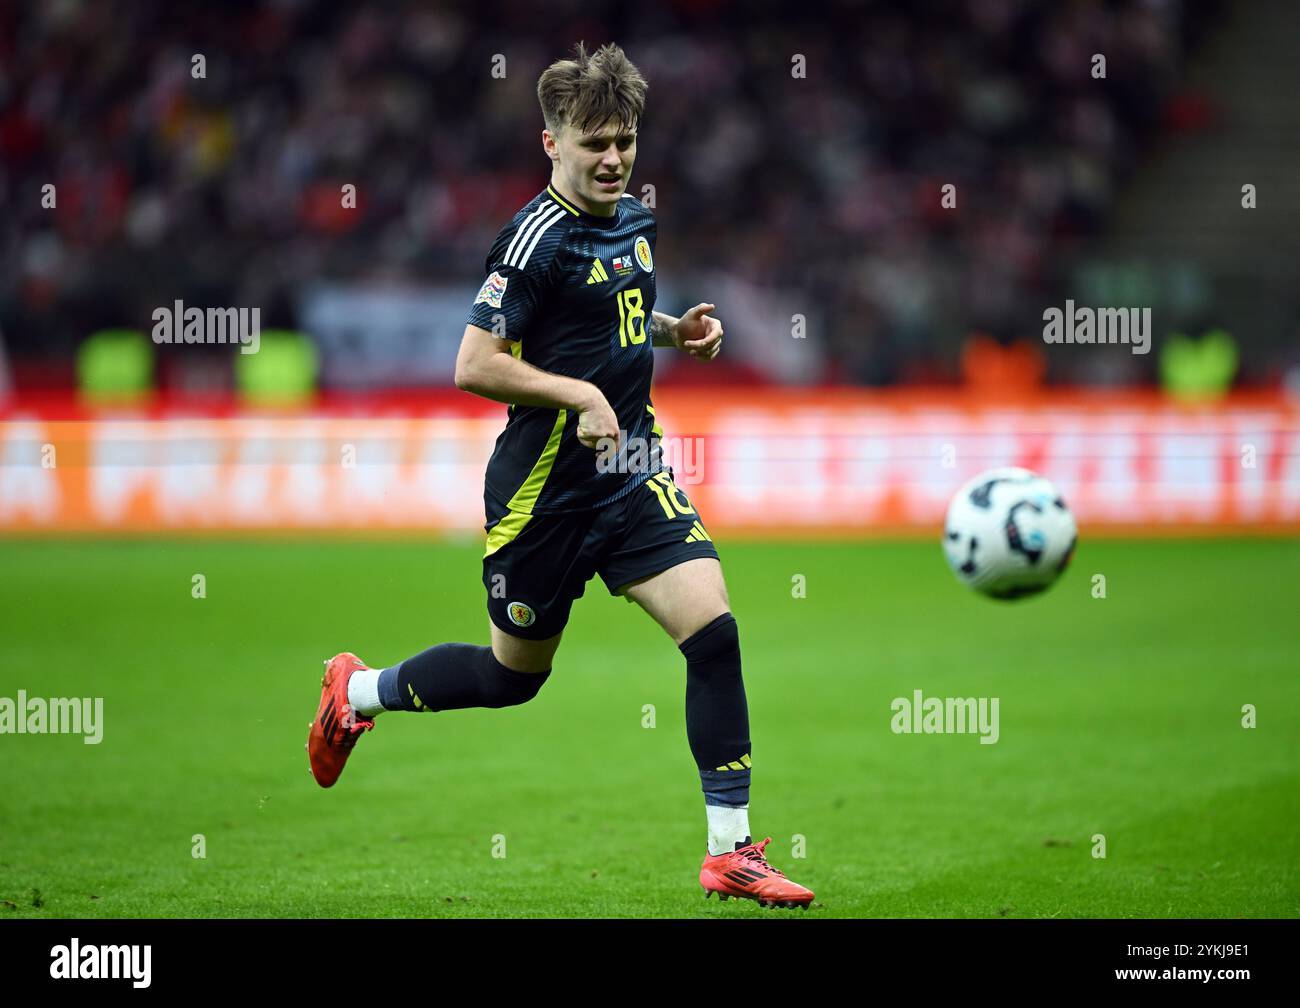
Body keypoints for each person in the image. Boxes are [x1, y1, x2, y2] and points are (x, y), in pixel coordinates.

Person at [307, 41, 813, 910]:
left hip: (628, 469)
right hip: (542, 498)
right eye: (595, 145)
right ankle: (355, 692)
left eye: (624, 142)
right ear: (553, 145)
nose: (614, 160)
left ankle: (730, 851)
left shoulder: (634, 220)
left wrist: (671, 333)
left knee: (715, 634)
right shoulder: (532, 238)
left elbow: (608, 314)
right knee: (513, 680)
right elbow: (474, 362)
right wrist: (576, 391)